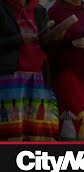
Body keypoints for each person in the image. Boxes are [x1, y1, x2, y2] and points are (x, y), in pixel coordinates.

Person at [0, 0, 59, 141]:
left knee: (37, 134)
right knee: (10, 134)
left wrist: (55, 37)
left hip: (37, 79)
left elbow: (45, 44)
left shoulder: (39, 10)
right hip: (9, 80)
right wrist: (19, 39)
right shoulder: (2, 7)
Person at [47, 0, 84, 140]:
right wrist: (71, 43)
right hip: (69, 77)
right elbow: (47, 44)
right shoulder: (56, 11)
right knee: (75, 126)